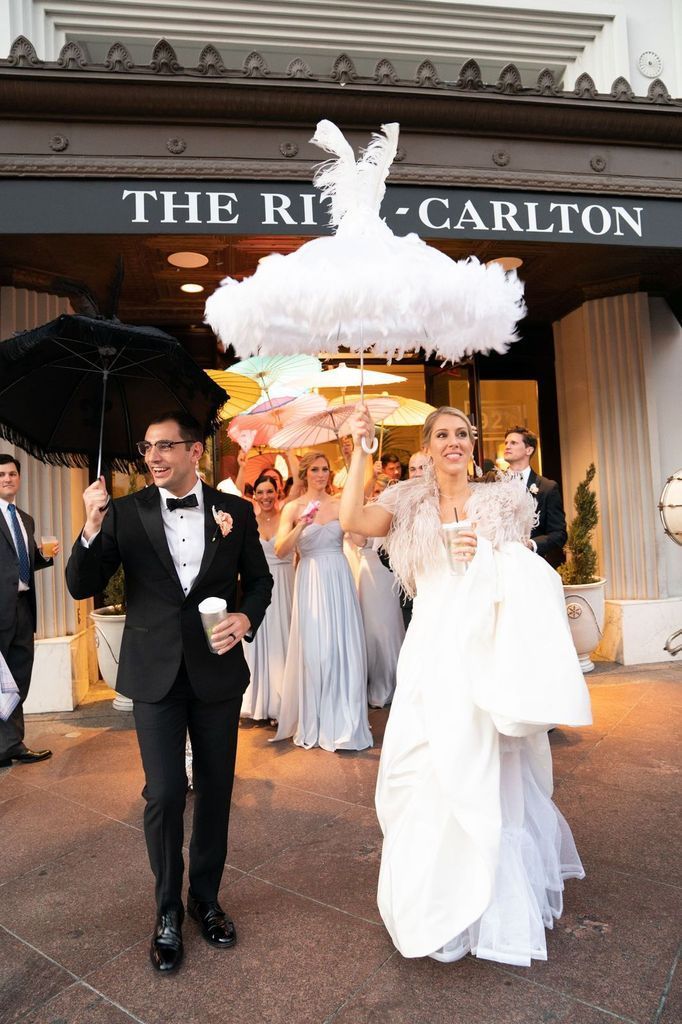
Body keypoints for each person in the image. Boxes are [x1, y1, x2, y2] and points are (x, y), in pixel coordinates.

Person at [340, 404, 592, 967]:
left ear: (471, 444)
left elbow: (527, 569)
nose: (453, 442)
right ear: (426, 447)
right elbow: (352, 519)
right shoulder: (405, 503)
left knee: (484, 768)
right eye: (442, 435)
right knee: (419, 763)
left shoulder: (503, 500)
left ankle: (494, 905)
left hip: (483, 650)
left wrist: (489, 557)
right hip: (431, 648)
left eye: (462, 434)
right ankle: (435, 893)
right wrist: (359, 450)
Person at [66, 411, 272, 974]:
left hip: (216, 669)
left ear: (196, 451)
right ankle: (165, 910)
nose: (153, 457)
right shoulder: (125, 514)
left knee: (215, 787)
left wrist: (244, 618)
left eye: (165, 447)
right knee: (163, 794)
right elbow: (81, 584)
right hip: (154, 672)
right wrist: (89, 525)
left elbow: (259, 580)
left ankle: (205, 899)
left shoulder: (236, 512)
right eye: (147, 447)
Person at [272, 451, 371, 751]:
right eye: (315, 469)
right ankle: (317, 720)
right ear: (304, 474)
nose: (321, 474)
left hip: (339, 576)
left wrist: (356, 514)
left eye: (325, 468)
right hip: (311, 578)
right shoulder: (292, 508)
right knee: (317, 652)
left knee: (343, 649)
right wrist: (302, 525)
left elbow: (362, 541)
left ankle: (345, 723)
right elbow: (280, 550)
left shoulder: (341, 504)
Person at [0, 454, 59, 768]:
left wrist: (43, 556)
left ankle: (11, 744)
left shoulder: (24, 518)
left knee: (19, 677)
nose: (7, 479)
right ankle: (6, 745)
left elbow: (20, 562)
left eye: (12, 474)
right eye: (1, 475)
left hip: (23, 608)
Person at [241, 474, 294, 724]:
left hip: (286, 583)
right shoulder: (249, 521)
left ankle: (283, 702)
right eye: (260, 492)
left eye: (270, 491)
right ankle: (259, 700)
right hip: (260, 586)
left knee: (282, 638)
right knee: (261, 639)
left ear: (278, 492)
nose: (265, 497)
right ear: (254, 496)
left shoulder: (288, 516)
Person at [356, 475, 404, 708]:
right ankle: (376, 683)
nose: (376, 495)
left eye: (380, 492)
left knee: (389, 628)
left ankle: (396, 682)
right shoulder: (364, 511)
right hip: (367, 574)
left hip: (387, 573)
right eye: (373, 491)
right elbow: (357, 540)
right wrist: (363, 510)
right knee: (371, 630)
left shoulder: (392, 514)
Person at [503, 426, 567, 568]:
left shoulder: (547, 488)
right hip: (497, 563)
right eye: (506, 442)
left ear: (529, 450)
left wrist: (531, 544)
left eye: (513, 443)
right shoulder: (493, 480)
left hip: (530, 565)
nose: (507, 446)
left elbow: (559, 534)